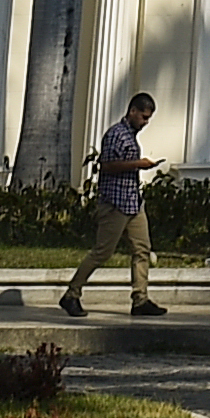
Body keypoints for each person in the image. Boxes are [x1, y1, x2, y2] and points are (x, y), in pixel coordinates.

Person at [58, 92, 163, 316]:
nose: (145, 123)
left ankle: (140, 299)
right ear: (132, 111)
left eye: (148, 119)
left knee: (142, 249)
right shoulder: (117, 134)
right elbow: (106, 166)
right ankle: (71, 294)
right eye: (143, 117)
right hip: (115, 203)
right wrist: (139, 164)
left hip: (133, 202)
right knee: (102, 252)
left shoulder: (130, 135)